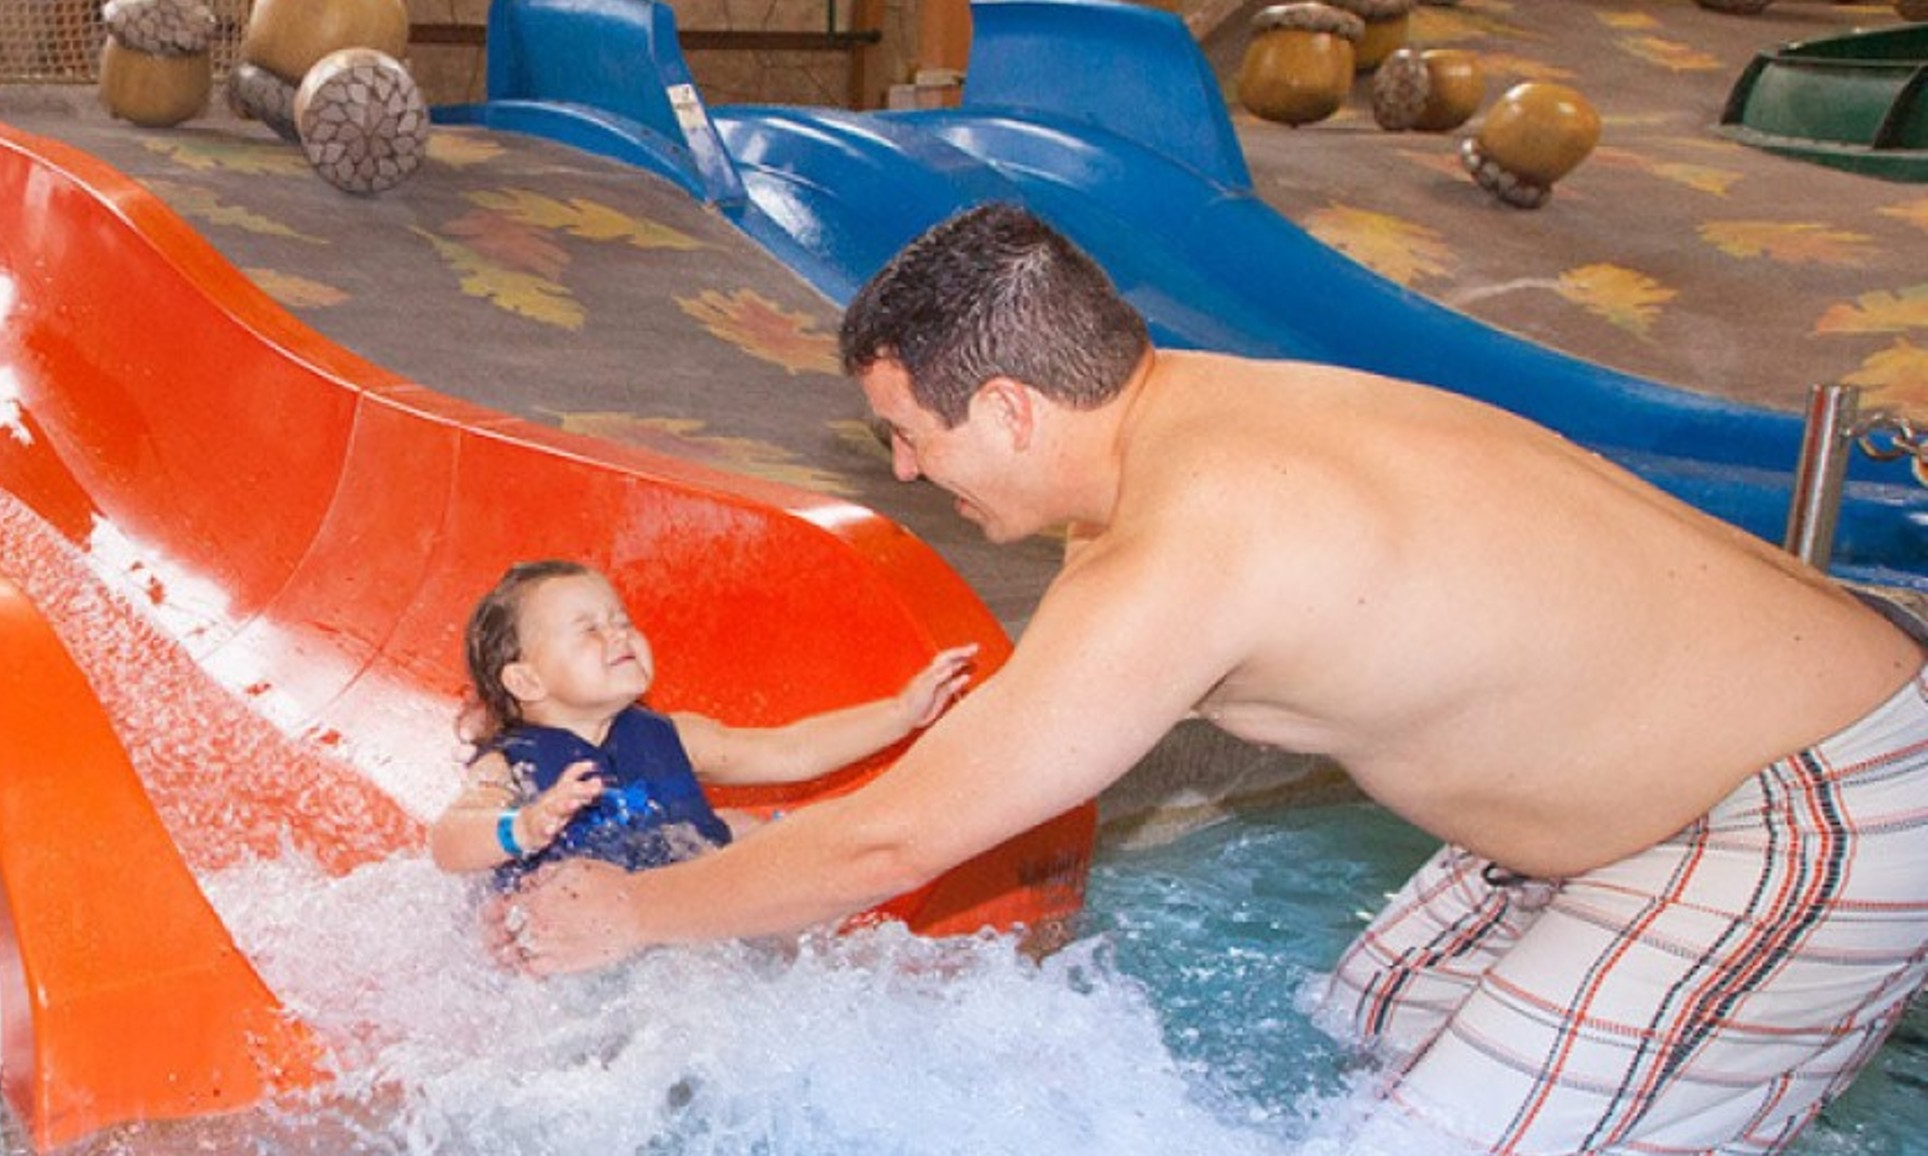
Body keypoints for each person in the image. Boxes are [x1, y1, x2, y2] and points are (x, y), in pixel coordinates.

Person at [498, 204, 1928, 1153]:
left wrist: (631, 913)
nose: (907, 472)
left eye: (909, 435)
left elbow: (897, 836)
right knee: (1358, 1027)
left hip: (1807, 804)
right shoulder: (1199, 416)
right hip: (1642, 783)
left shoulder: (1182, 549)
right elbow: (992, 757)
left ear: (1007, 403)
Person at [429, 559, 978, 888]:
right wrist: (522, 827)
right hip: (577, 947)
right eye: (589, 629)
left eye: (622, 620)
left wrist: (901, 714)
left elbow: (790, 751)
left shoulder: (672, 735)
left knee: (768, 836)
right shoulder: (512, 765)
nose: (619, 633)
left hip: (678, 922)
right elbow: (450, 843)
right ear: (525, 681)